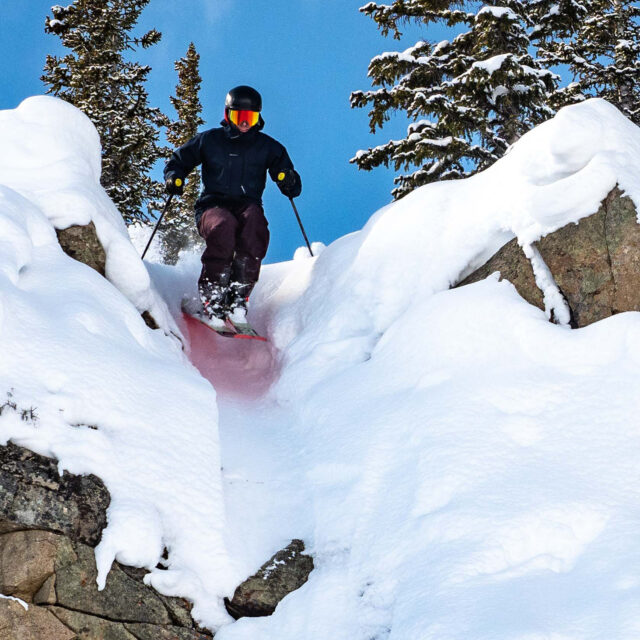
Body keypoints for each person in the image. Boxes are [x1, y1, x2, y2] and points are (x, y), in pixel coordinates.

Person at [164, 85, 302, 328]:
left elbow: (287, 175)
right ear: (228, 115)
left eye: (251, 118)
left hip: (247, 205)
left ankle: (239, 295)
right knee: (223, 226)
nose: (245, 123)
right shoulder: (210, 140)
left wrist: (288, 180)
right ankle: (213, 296)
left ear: (259, 118)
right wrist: (174, 177)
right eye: (240, 117)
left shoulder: (268, 147)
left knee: (255, 225)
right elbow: (180, 160)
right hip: (211, 206)